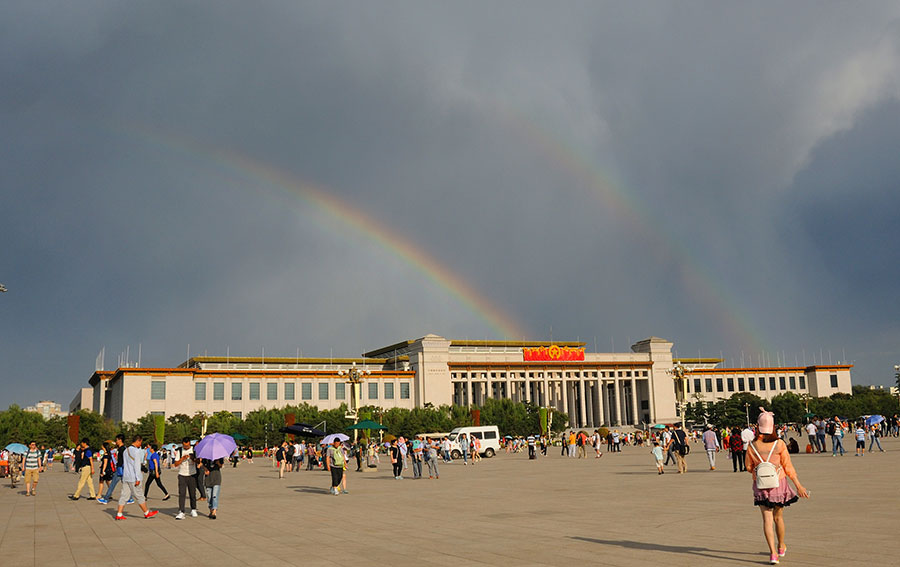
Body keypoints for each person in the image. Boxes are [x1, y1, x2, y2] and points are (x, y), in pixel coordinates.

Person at [745, 408, 809, 564]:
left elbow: (748, 467)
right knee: (778, 518)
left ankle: (773, 554)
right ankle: (781, 546)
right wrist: (798, 485)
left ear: (758, 426)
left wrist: (758, 468)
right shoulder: (779, 444)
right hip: (778, 484)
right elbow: (788, 467)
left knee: (767, 520)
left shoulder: (752, 446)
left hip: (760, 485)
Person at [114, 435, 158, 520]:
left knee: (124, 495)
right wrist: (138, 478)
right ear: (138, 441)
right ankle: (146, 512)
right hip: (133, 477)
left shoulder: (125, 450)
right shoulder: (136, 451)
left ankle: (119, 514)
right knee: (139, 495)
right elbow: (137, 466)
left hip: (126, 476)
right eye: (140, 442)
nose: (140, 444)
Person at [173, 437, 198, 519]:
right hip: (182, 474)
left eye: (187, 446)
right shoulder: (179, 451)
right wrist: (182, 458)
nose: (186, 447)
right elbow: (176, 464)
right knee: (182, 494)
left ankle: (193, 509)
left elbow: (198, 461)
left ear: (190, 443)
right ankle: (181, 511)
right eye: (184, 446)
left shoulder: (194, 450)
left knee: (192, 493)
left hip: (192, 474)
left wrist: (192, 458)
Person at [98, 434, 126, 504]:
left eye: (116, 440)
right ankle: (131, 498)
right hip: (120, 468)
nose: (116, 442)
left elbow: (124, 460)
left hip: (121, 469)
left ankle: (106, 498)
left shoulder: (123, 449)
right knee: (126, 484)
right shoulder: (120, 448)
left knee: (113, 484)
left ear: (120, 440)